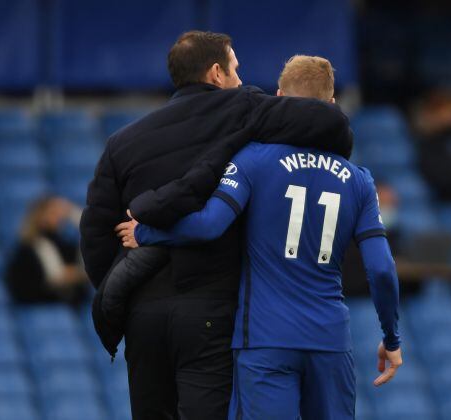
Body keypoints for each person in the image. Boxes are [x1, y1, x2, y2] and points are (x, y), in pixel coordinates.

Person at [80, 32, 354, 420]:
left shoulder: (122, 142)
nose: (242, 80)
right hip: (212, 311)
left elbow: (95, 236)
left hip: (143, 316)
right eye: (236, 70)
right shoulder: (242, 107)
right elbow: (331, 123)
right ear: (215, 73)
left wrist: (131, 294)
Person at [118, 56, 402, 420]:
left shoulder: (253, 160)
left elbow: (208, 225)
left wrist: (148, 231)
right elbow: (380, 269)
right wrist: (391, 338)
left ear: (279, 97)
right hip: (329, 341)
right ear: (331, 105)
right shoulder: (359, 179)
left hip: (265, 340)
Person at [6, 196, 88, 306]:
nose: (59, 217)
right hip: (37, 303)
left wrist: (73, 214)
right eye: (53, 212)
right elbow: (56, 277)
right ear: (40, 215)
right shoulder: (29, 247)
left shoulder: (65, 245)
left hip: (67, 305)